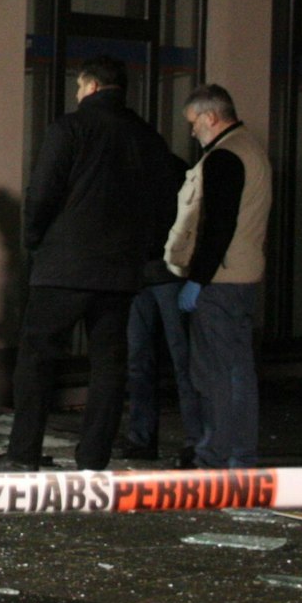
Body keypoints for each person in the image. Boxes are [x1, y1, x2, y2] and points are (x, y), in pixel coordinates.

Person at [0, 56, 173, 472]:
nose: (77, 94)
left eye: (79, 86)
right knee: (109, 366)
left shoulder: (70, 129)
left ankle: (23, 454)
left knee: (37, 359)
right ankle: (93, 458)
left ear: (91, 86)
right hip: (120, 271)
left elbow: (42, 192)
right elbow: (165, 202)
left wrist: (35, 241)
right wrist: (143, 251)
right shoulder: (148, 139)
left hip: (65, 266)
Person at [165, 84, 272, 470]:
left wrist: (198, 279)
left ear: (211, 117)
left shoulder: (224, 157)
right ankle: (239, 454)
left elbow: (217, 225)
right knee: (237, 370)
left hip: (220, 282)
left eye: (194, 122)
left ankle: (216, 453)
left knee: (214, 374)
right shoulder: (252, 150)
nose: (192, 130)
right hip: (243, 276)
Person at [117, 150, 197, 466]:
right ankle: (192, 441)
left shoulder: (130, 171)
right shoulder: (172, 169)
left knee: (147, 360)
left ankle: (146, 437)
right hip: (161, 273)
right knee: (178, 360)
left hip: (151, 273)